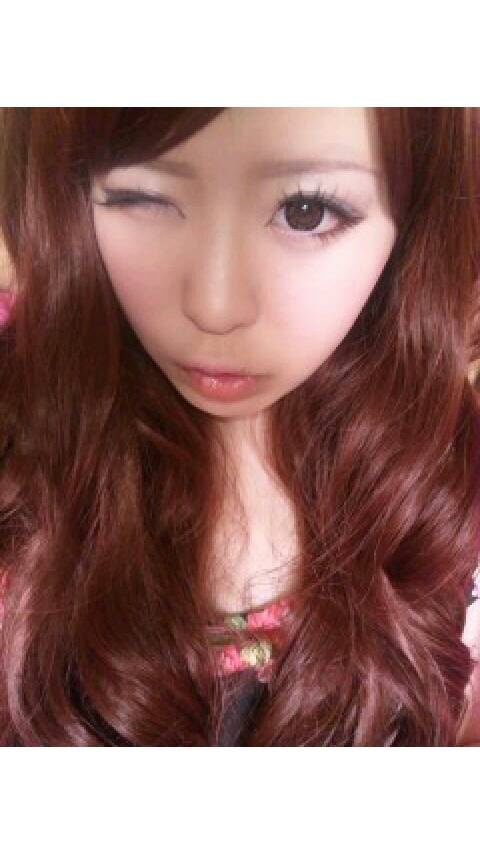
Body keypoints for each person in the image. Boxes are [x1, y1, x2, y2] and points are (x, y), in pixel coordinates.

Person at [0, 107, 479, 746]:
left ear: (415, 220)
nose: (214, 308)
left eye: (306, 211)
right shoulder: (25, 414)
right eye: (143, 197)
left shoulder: (448, 463)